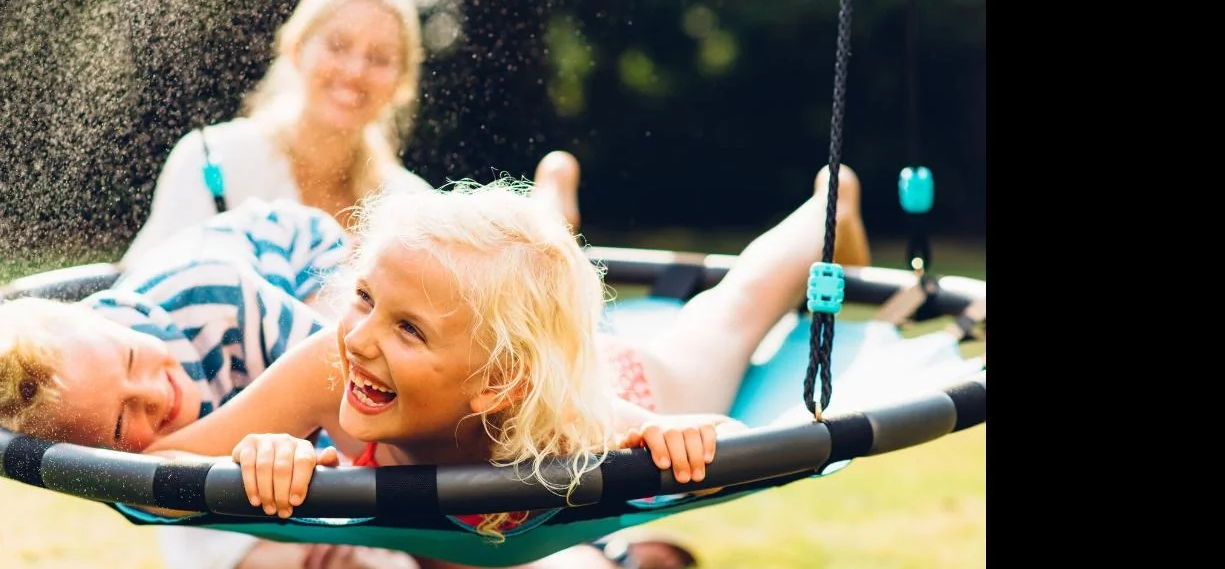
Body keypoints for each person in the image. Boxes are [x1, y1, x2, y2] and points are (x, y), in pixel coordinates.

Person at [143, 166, 870, 569]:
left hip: (624, 379)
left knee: (734, 309)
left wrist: (678, 432)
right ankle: (549, 208)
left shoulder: (559, 416)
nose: (360, 336)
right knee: (524, 279)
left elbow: (719, 437)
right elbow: (160, 473)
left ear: (496, 383)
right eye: (363, 296)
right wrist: (250, 456)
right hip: (503, 394)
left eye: (406, 328)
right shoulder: (332, 366)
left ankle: (828, 208)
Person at [121, 0, 582, 276]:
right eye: (338, 46)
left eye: (380, 58)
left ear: (401, 83)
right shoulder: (214, 160)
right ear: (297, 49)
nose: (355, 71)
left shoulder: (406, 204)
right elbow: (148, 295)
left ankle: (544, 230)